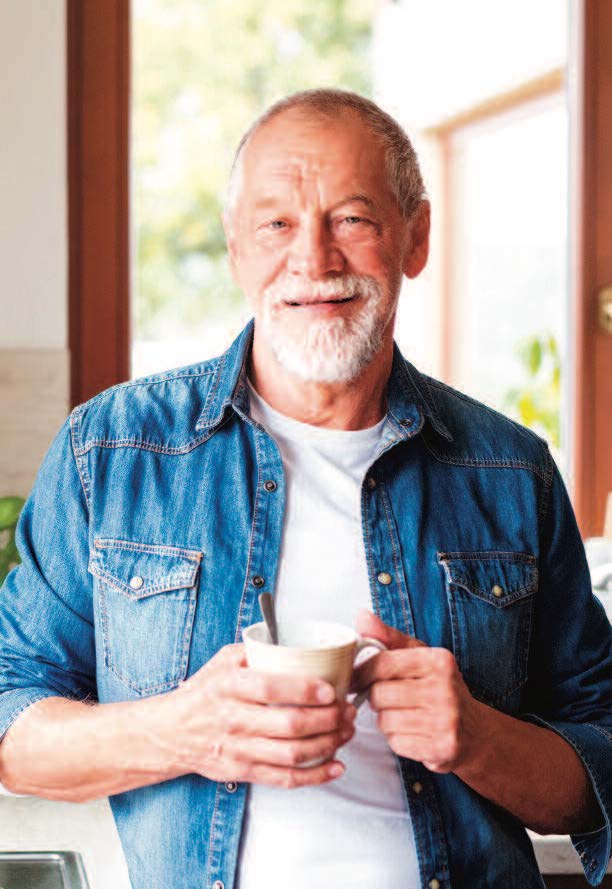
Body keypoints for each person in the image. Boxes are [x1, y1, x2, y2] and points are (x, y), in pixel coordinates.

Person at [0, 88, 610, 889]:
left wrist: (481, 739)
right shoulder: (111, 453)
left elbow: (599, 759)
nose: (314, 260)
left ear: (415, 236)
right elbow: (14, 724)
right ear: (236, 252)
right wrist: (184, 731)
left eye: (352, 219)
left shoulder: (509, 470)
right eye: (276, 224)